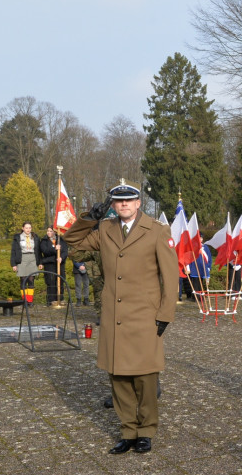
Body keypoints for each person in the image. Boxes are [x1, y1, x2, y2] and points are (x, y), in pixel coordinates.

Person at [63, 182, 179, 455]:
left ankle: (146, 430)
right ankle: (128, 430)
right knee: (118, 376)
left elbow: (171, 276)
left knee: (145, 377)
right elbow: (73, 242)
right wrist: (89, 218)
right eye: (118, 201)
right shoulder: (105, 229)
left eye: (129, 200)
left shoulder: (157, 230)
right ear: (113, 205)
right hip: (115, 314)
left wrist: (166, 313)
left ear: (138, 203)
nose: (124, 204)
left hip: (145, 315)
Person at [10, 221, 42, 305]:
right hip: (22, 258)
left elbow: (39, 251)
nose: (28, 229)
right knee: (23, 279)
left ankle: (30, 300)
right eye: (26, 228)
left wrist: (40, 262)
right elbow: (13, 251)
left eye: (29, 228)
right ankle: (24, 300)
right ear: (23, 228)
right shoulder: (18, 237)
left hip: (32, 258)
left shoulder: (35, 237)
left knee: (31, 279)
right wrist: (13, 264)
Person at [39, 227, 68, 304]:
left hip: (59, 264)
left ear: (55, 232)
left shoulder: (60, 240)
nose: (48, 233)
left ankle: (60, 298)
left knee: (60, 280)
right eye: (47, 231)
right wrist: (54, 249)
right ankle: (51, 300)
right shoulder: (44, 240)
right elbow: (44, 251)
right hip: (49, 264)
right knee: (50, 281)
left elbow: (65, 251)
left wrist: (62, 257)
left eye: (51, 231)